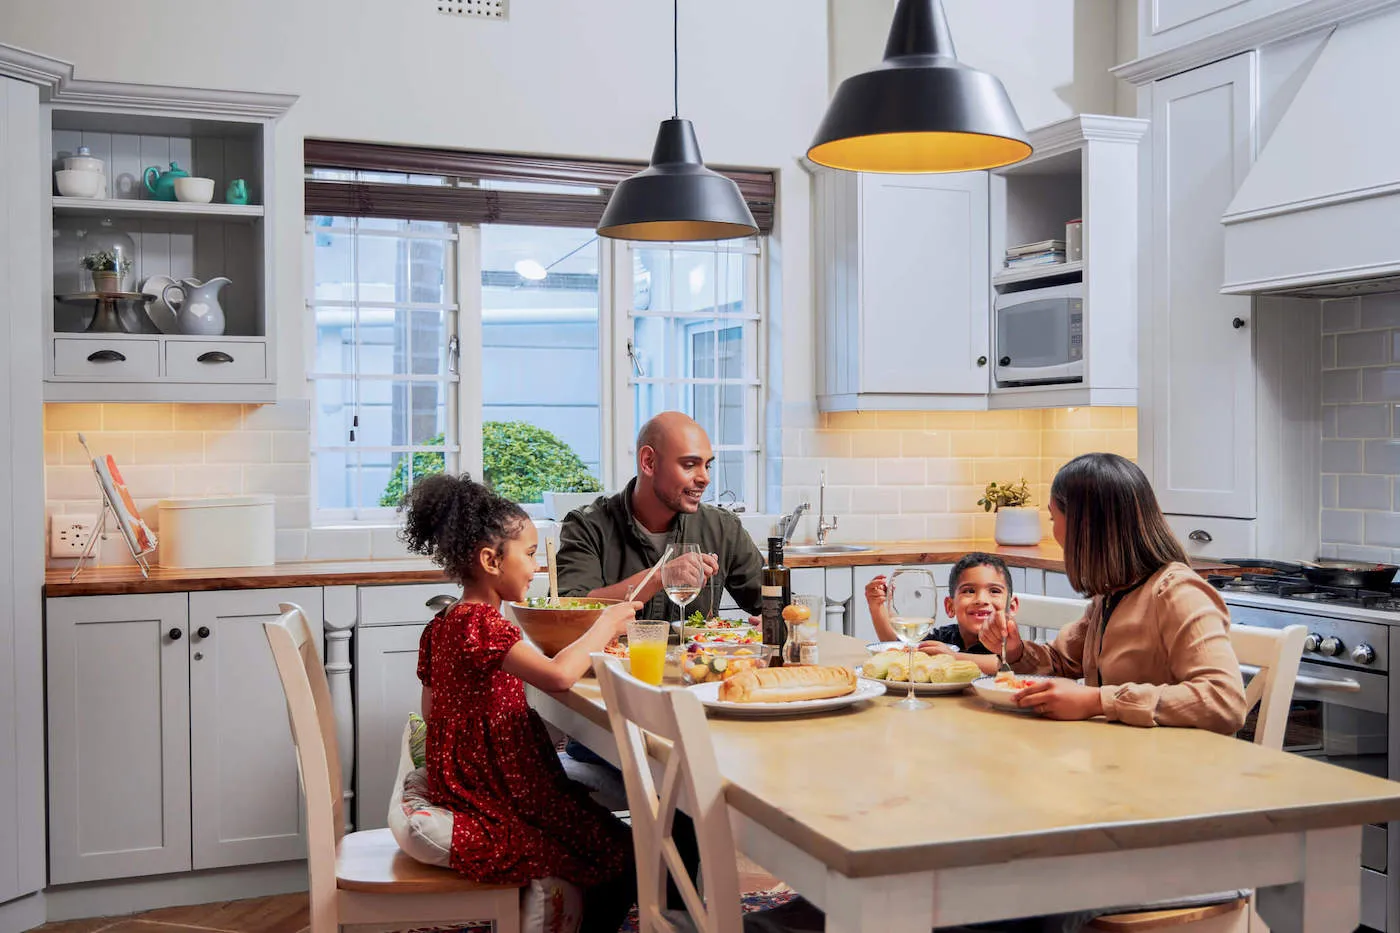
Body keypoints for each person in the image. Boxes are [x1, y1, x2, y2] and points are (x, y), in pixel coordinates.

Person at [399, 472, 641, 932]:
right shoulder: (483, 624)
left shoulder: (446, 620)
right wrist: (605, 625)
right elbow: (556, 677)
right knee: (621, 850)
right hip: (497, 788)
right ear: (491, 560)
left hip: (472, 778)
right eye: (530, 555)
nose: (537, 567)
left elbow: (432, 712)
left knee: (601, 836)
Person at [981, 452, 1247, 733]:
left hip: (1174, 767)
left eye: (1052, 517)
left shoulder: (1178, 593)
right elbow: (1063, 660)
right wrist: (1015, 649)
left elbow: (1223, 701)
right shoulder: (1112, 594)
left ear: (1083, 526)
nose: (1054, 531)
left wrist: (1098, 701)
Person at [556, 411, 765, 622]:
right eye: (690, 465)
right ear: (648, 462)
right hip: (613, 656)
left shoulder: (722, 527)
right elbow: (566, 613)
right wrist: (660, 576)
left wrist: (776, 622)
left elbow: (777, 604)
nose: (705, 478)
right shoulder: (587, 527)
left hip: (701, 656)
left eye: (707, 465)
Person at [865, 553, 1008, 676]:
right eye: (969, 591)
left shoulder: (1009, 643)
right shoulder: (947, 638)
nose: (981, 600)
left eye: (994, 591)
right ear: (950, 607)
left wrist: (953, 657)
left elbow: (1003, 664)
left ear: (1012, 606)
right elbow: (901, 645)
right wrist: (876, 606)